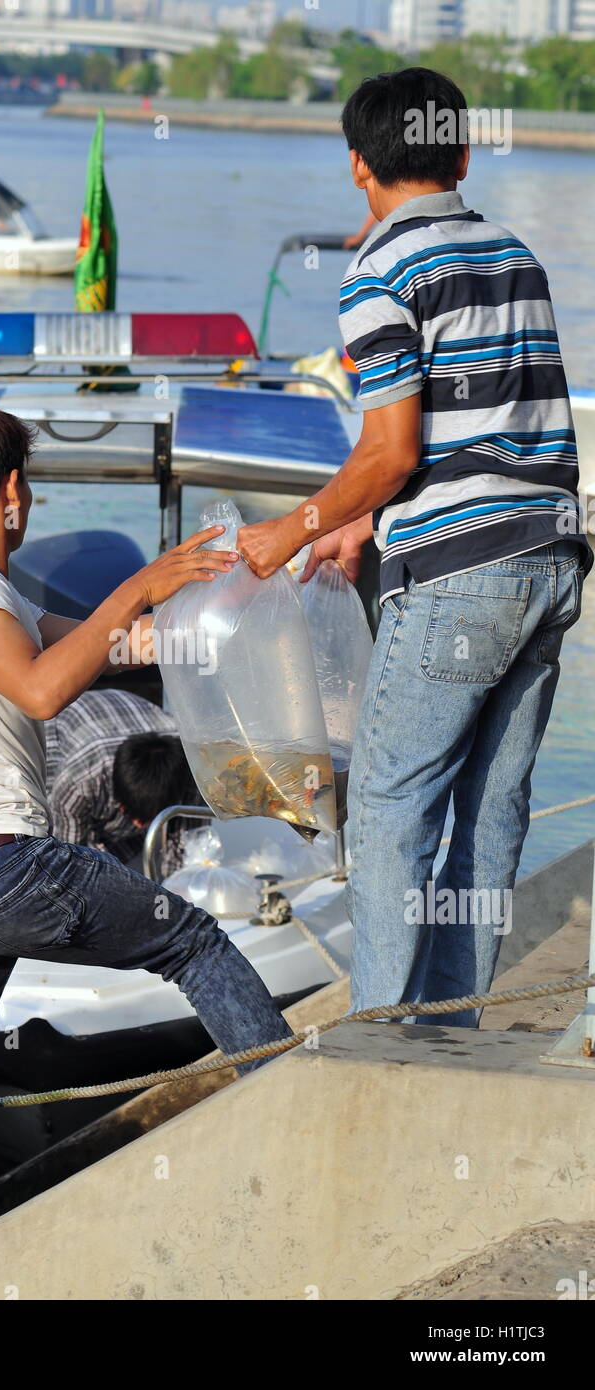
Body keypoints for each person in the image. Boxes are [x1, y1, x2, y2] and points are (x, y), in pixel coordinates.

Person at [0, 403, 293, 1280]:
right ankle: (295, 1111)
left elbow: (105, 649)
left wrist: (210, 609)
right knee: (191, 937)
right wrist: (139, 582)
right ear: (13, 493)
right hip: (3, 871)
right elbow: (40, 692)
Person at [238, 67, 591, 1029]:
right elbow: (483, 438)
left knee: (393, 807)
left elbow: (389, 448)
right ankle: (446, 1026)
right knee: (490, 813)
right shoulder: (515, 253)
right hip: (551, 562)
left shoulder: (379, 275)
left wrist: (295, 527)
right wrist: (363, 519)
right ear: (462, 155)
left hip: (459, 579)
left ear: (358, 166)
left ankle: (381, 1034)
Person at [45, 688, 198, 874]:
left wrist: (176, 889)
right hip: (69, 727)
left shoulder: (191, 768)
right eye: (131, 815)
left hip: (127, 717)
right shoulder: (78, 782)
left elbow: (185, 844)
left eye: (147, 819)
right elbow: (69, 858)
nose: (138, 826)